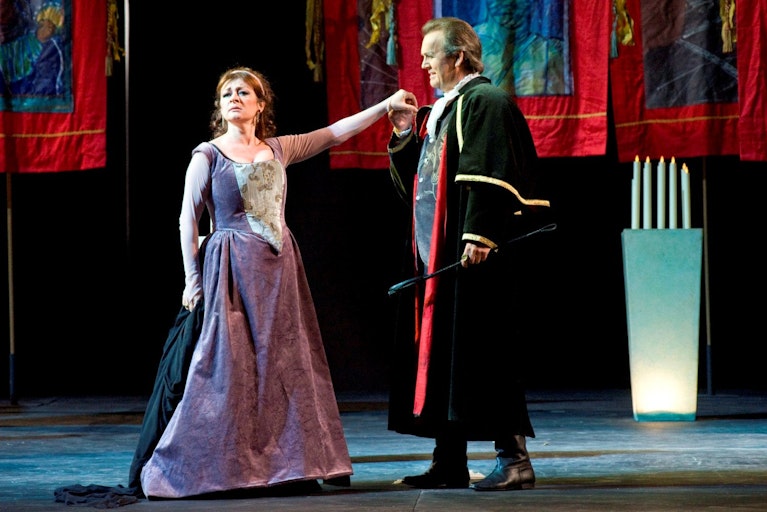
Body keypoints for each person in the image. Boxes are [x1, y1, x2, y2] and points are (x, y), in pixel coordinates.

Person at [138, 66, 417, 499]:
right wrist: (192, 281)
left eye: (243, 92)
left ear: (260, 104)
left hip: (278, 271)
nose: (234, 98)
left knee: (285, 363)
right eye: (227, 93)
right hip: (231, 271)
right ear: (219, 107)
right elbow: (187, 220)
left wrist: (384, 106)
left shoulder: (278, 149)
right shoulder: (207, 155)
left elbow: (336, 132)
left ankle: (293, 465)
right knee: (229, 367)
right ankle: (219, 468)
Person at [385, 17, 552, 492]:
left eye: (430, 55)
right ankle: (449, 462)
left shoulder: (486, 101)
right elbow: (422, 183)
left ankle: (514, 459)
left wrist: (478, 233)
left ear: (457, 56)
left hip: (476, 254)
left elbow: (489, 170)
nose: (423, 64)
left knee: (487, 353)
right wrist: (404, 133)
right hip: (439, 254)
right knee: (447, 357)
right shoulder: (446, 109)